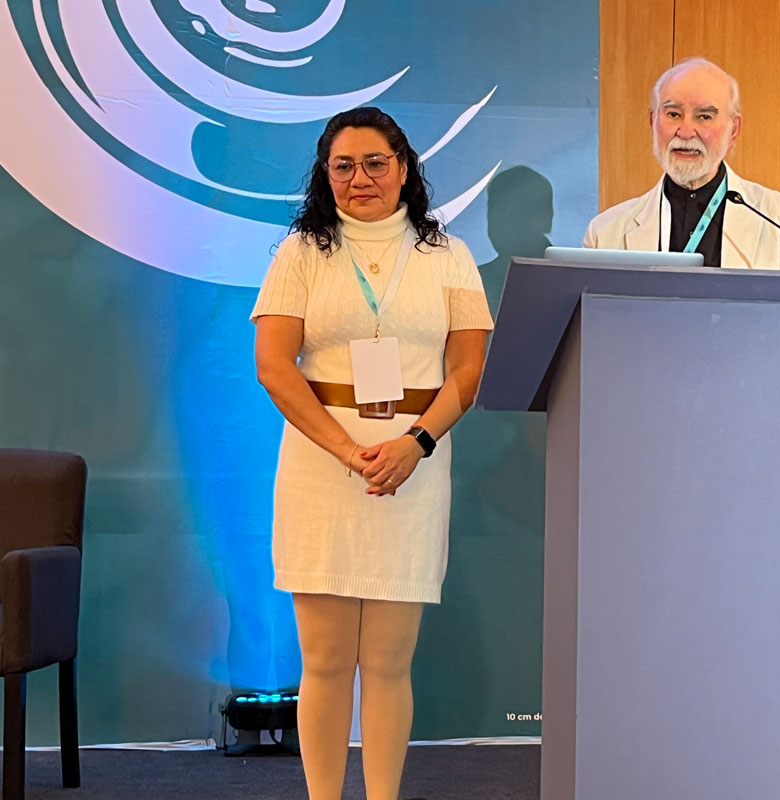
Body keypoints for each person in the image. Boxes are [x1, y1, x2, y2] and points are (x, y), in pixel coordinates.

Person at [251, 106, 493, 800]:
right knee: (325, 661)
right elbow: (274, 365)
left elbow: (468, 370)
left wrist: (415, 443)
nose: (360, 178)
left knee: (388, 662)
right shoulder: (301, 253)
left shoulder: (449, 256)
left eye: (375, 163)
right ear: (325, 175)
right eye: (344, 166)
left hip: (412, 466)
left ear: (404, 167)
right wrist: (345, 451)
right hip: (322, 469)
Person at [584, 57, 780, 270]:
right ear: (653, 121)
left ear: (733, 129)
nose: (685, 132)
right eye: (673, 114)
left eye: (704, 117)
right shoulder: (604, 234)